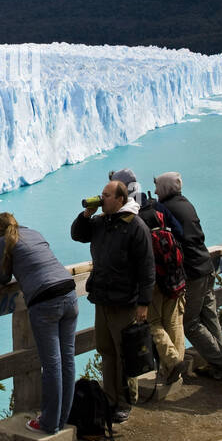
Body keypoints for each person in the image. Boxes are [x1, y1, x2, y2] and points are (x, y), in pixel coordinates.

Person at [71, 180, 154, 423]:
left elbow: (147, 268)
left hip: (125, 302)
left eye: (106, 195)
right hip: (103, 299)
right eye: (102, 194)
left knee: (125, 353)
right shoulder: (99, 222)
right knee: (106, 350)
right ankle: (109, 397)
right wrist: (86, 214)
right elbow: (78, 234)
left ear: (120, 199)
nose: (102, 198)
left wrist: (144, 302)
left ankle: (125, 402)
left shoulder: (136, 226)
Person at [0, 212, 78, 434]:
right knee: (67, 359)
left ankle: (49, 423)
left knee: (52, 364)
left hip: (45, 301)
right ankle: (62, 418)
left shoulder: (4, 241)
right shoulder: (33, 232)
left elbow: (1, 278)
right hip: (69, 291)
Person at [154, 171, 222, 381]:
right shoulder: (186, 203)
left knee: (189, 321)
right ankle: (219, 365)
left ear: (164, 189)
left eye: (157, 187)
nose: (155, 191)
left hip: (193, 272)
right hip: (207, 265)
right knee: (209, 316)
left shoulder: (166, 208)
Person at [141, 208, 189, 385]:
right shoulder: (169, 234)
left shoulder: (146, 235)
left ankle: (173, 362)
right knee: (175, 323)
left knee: (153, 323)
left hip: (155, 285)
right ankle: (173, 372)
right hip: (175, 282)